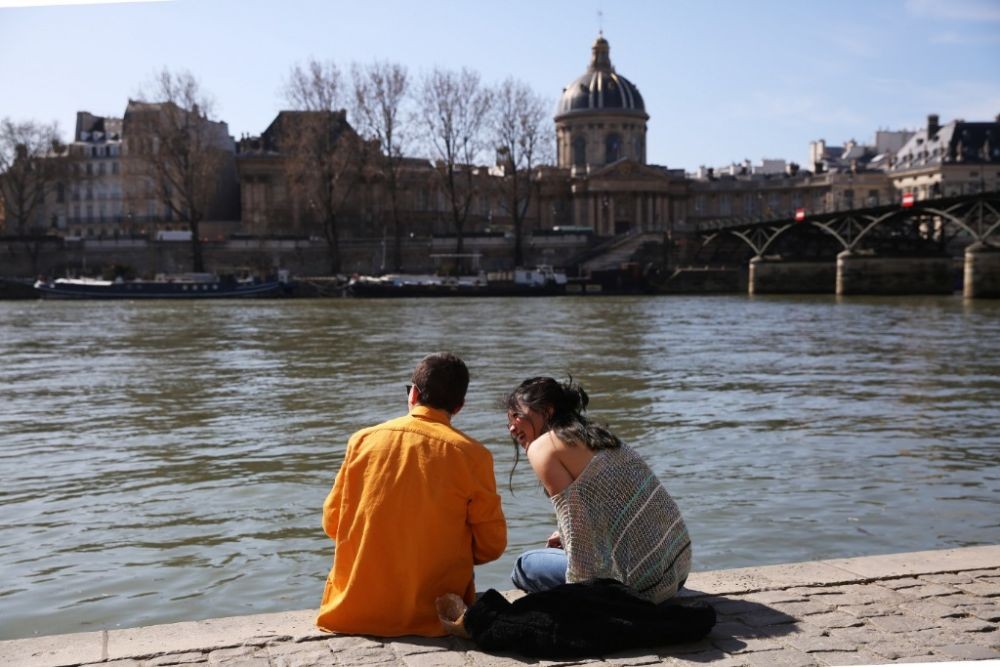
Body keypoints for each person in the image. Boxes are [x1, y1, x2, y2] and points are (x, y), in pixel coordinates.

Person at [317, 352, 507, 637]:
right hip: (432, 618)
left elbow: (333, 524)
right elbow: (491, 546)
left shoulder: (362, 441)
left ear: (414, 393)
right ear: (460, 405)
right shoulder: (473, 456)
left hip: (352, 613)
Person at [505, 376, 690, 603]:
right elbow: (609, 510)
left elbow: (577, 531)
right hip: (676, 570)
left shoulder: (542, 447)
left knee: (525, 566)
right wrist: (562, 535)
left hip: (641, 587)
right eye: (508, 420)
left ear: (547, 411)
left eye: (517, 415)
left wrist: (582, 596)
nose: (512, 427)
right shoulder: (594, 434)